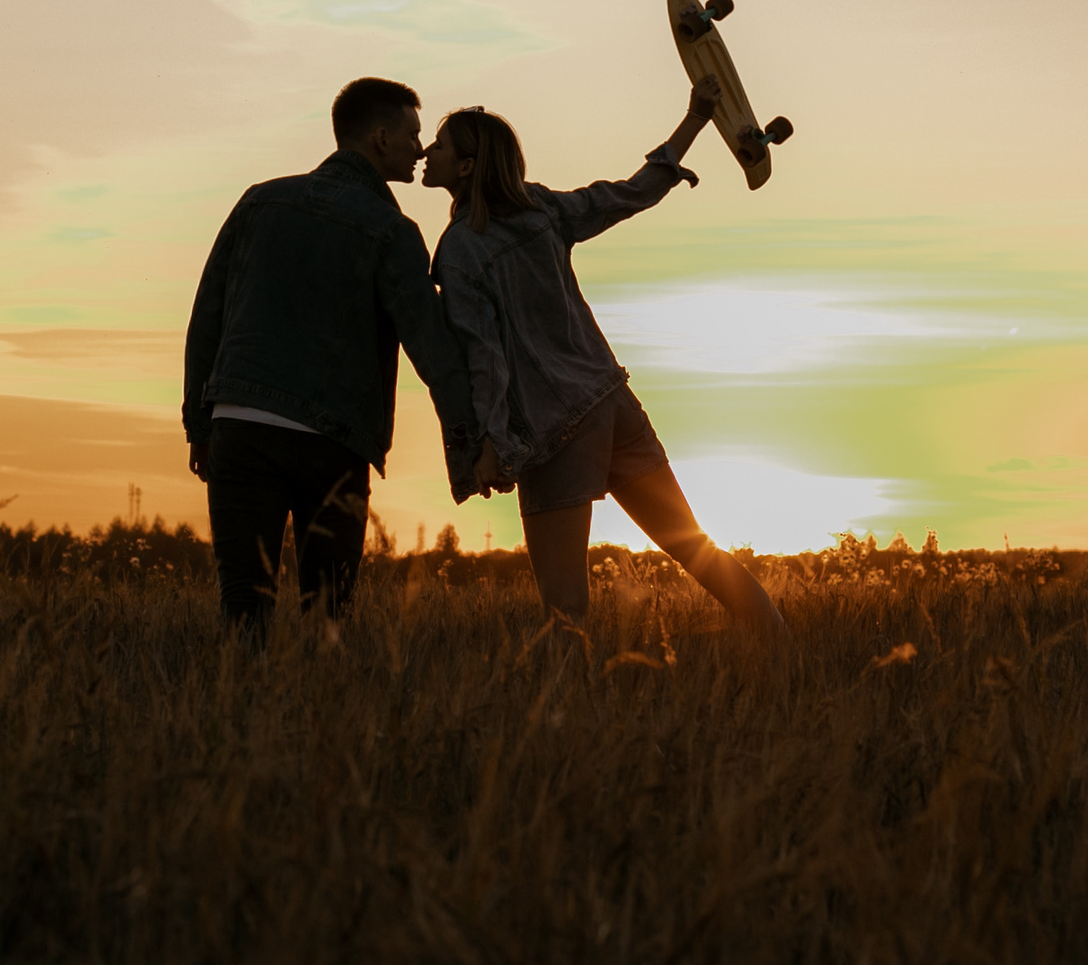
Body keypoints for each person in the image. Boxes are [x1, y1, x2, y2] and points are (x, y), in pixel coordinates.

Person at [422, 77, 786, 643]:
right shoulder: (541, 207)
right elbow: (630, 193)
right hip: (612, 404)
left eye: (440, 145)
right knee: (698, 552)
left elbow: (483, 355)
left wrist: (489, 441)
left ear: (466, 167)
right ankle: (785, 654)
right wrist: (695, 118)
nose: (427, 153)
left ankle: (569, 723)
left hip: (556, 430)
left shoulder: (461, 249)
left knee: (565, 608)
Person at [183, 77, 481, 631]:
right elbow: (433, 349)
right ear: (380, 136)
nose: (421, 149)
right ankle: (318, 715)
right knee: (327, 618)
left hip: (239, 429)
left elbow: (207, 320)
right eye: (414, 135)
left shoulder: (259, 200)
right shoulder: (393, 230)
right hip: (331, 442)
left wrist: (199, 424)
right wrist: (472, 439)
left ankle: (237, 715)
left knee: (244, 610)